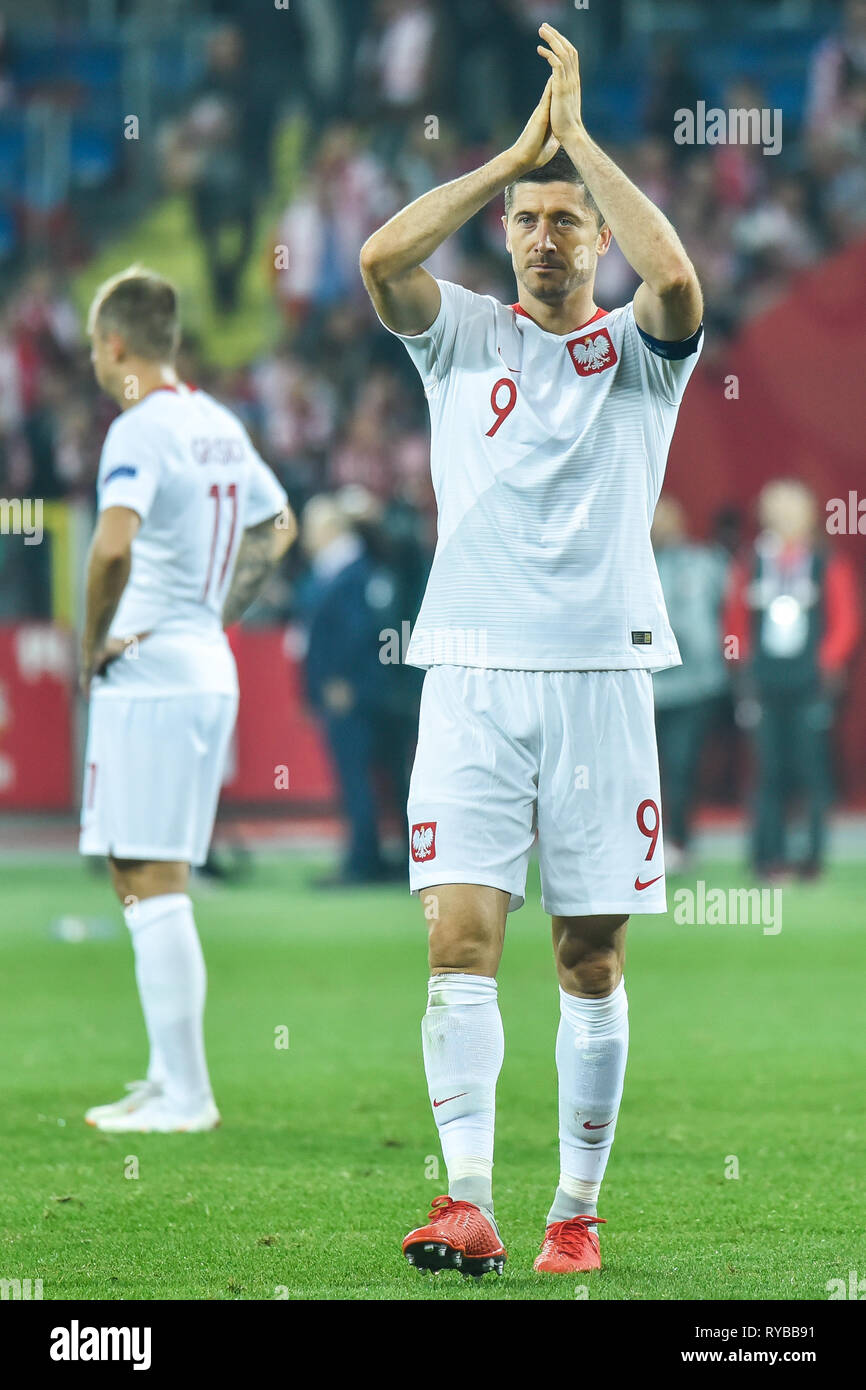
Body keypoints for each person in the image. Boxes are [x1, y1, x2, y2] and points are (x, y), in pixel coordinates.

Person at [360, 23, 703, 1277]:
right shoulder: (459, 336)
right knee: (456, 943)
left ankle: (573, 1210)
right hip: (468, 676)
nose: (547, 236)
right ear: (503, 234)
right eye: (527, 219)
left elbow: (677, 286)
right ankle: (464, 1200)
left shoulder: (636, 359)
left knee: (587, 956)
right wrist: (512, 155)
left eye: (567, 220)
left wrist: (580, 148)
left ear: (597, 234)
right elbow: (378, 254)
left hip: (603, 680)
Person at [79, 266, 295, 1133]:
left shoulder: (140, 430)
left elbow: (109, 549)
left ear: (116, 345)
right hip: (204, 660)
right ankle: (169, 1075)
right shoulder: (216, 424)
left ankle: (189, 1096)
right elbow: (277, 526)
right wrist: (219, 611)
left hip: (155, 672)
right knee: (141, 871)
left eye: (97, 347)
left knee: (153, 875)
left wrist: (96, 640)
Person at [723, 479, 860, 880]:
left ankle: (811, 860)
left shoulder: (826, 562)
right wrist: (739, 665)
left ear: (808, 514)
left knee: (811, 771)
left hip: (809, 684)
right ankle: (767, 858)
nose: (783, 517)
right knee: (767, 771)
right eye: (776, 509)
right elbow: (732, 624)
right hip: (763, 683)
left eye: (791, 509)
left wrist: (825, 664)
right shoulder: (751, 563)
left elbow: (846, 622)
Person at [651, 496, 730, 872]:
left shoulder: (702, 563)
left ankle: (679, 841)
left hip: (690, 686)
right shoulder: (630, 564)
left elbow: (710, 623)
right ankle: (649, 841)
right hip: (647, 687)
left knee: (680, 768)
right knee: (645, 772)